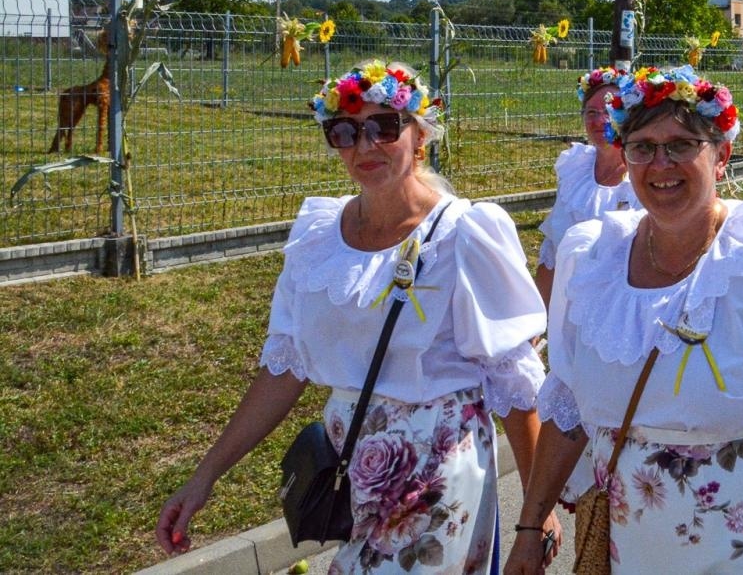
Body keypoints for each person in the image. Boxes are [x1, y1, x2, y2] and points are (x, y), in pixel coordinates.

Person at [157, 60, 555, 571]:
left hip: (435, 472)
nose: (364, 146)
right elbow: (285, 365)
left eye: (383, 127)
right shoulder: (319, 236)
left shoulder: (464, 235)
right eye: (344, 131)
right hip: (350, 469)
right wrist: (204, 476)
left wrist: (534, 514)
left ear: (420, 134)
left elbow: (514, 385)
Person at [513, 66, 743, 575]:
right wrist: (529, 528)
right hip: (632, 549)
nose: (660, 163)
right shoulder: (594, 258)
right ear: (625, 157)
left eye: (682, 145)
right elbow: (567, 405)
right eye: (642, 147)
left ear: (722, 154)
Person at [535, 66, 634, 307]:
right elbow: (553, 250)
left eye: (611, 110)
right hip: (570, 301)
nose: (601, 120)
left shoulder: (643, 178)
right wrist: (538, 318)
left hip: (622, 305)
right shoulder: (575, 169)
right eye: (591, 112)